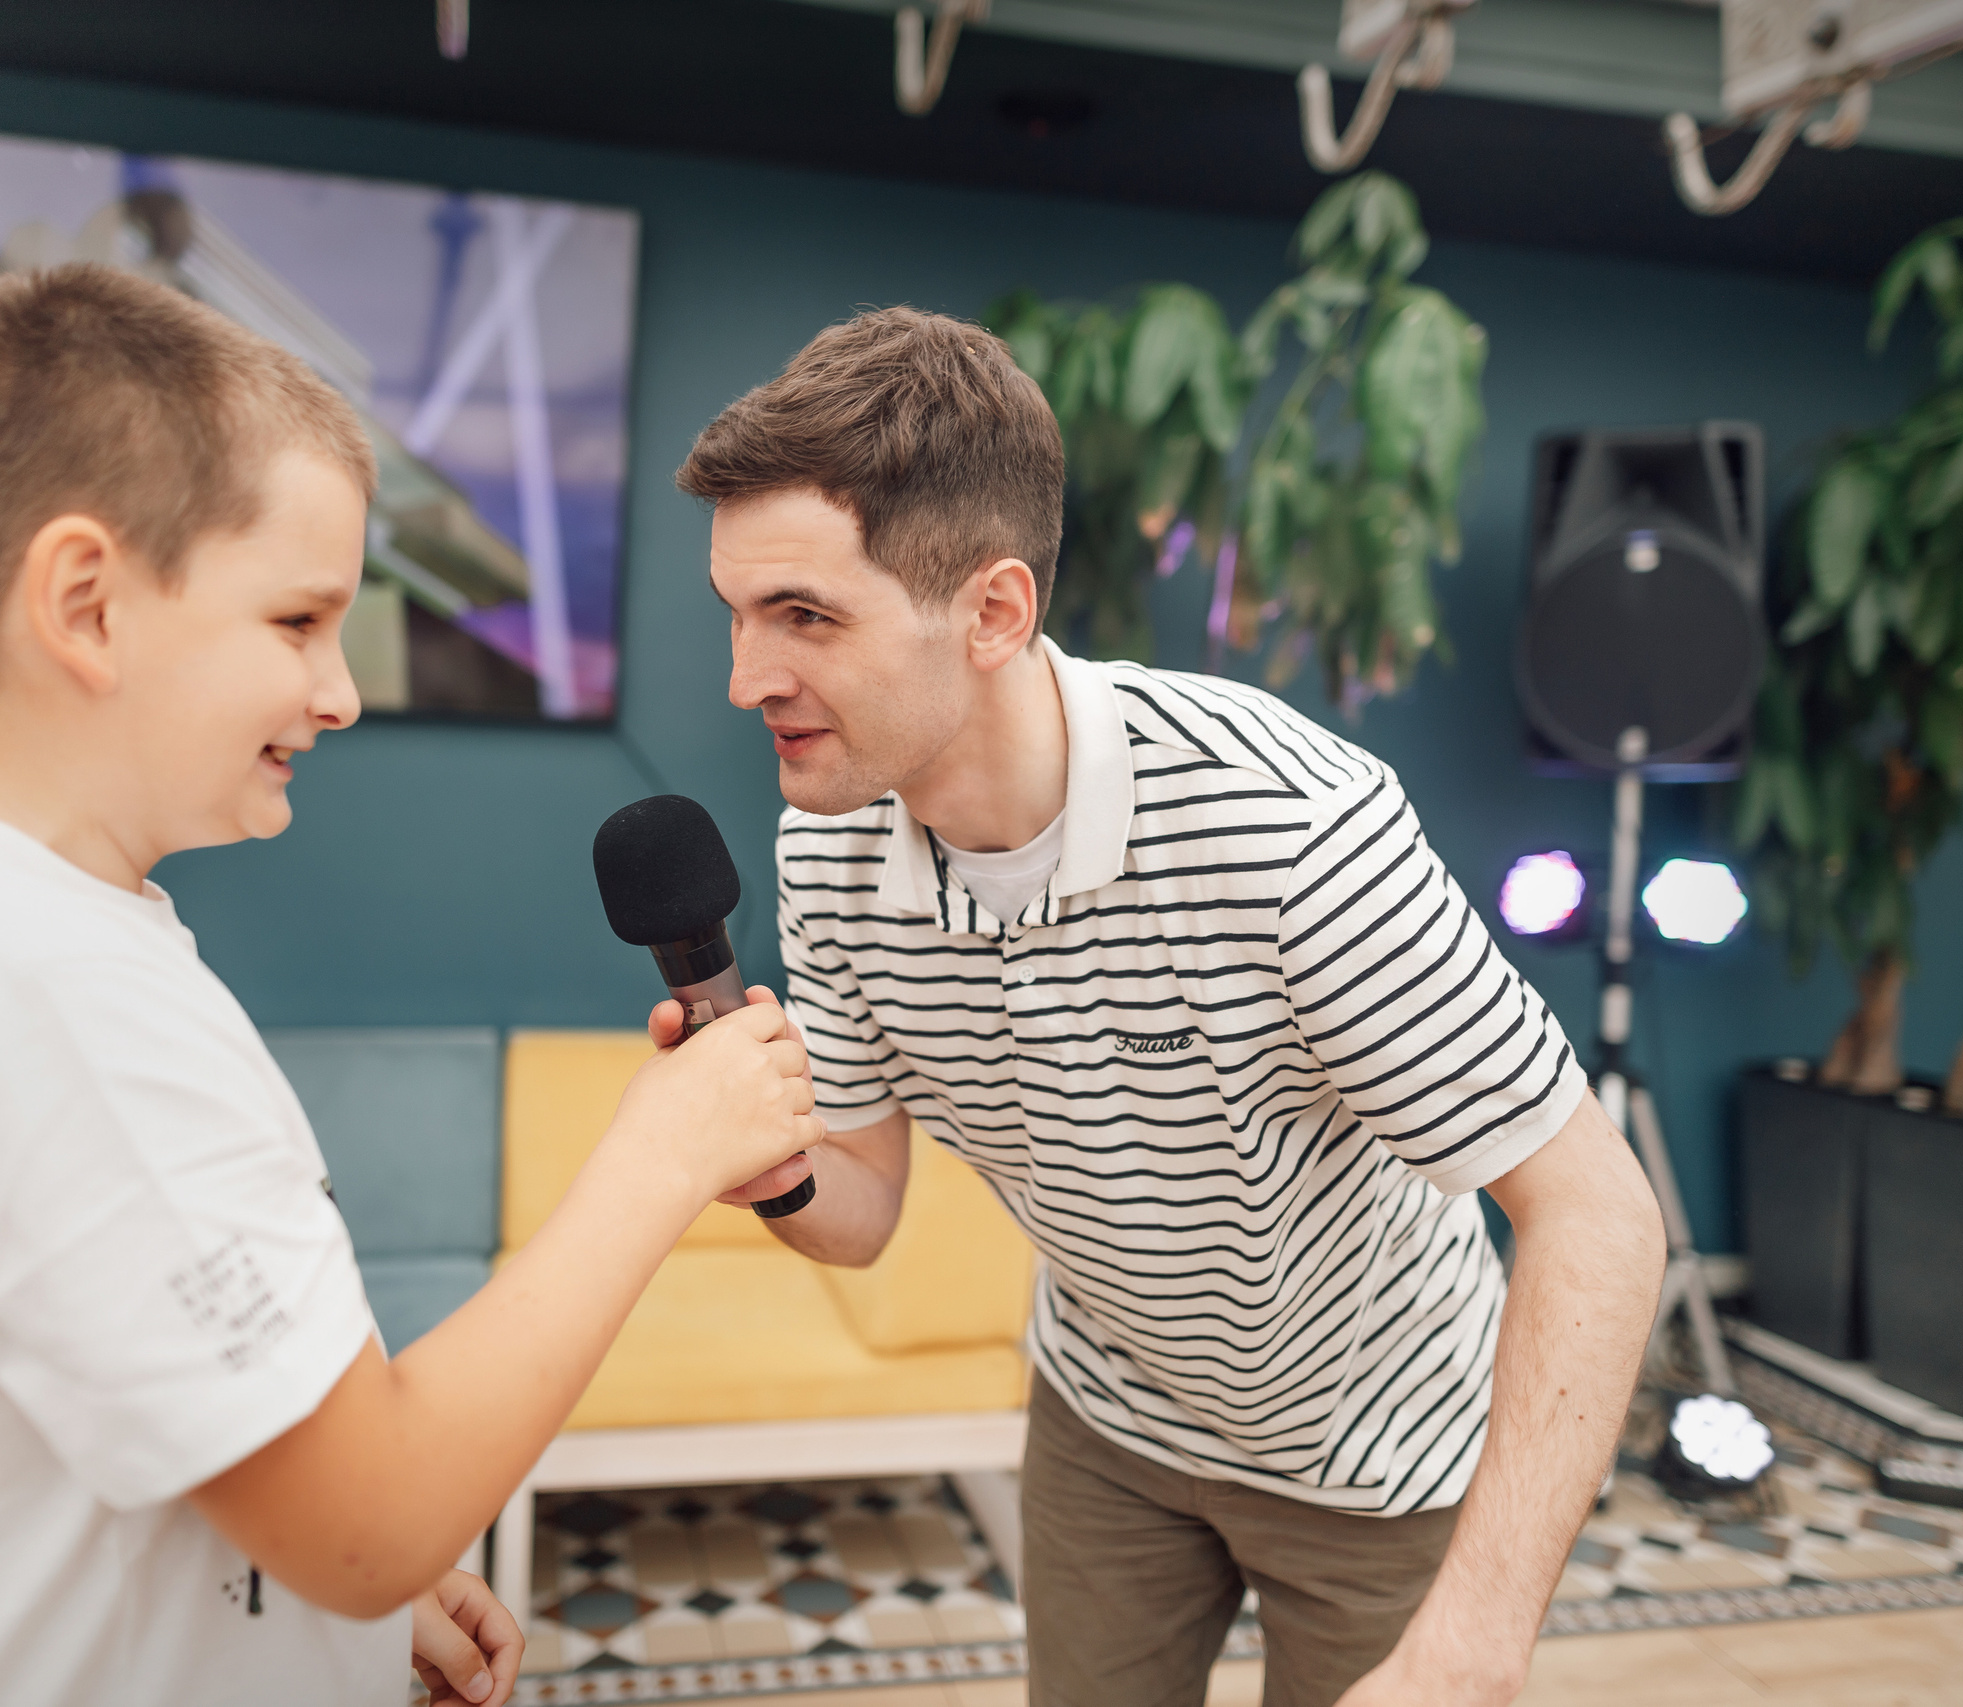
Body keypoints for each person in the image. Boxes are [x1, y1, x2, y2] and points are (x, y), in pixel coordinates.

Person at [0, 264, 823, 1707]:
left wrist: (316, 1608)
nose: (339, 692)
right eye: (297, 624)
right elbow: (369, 1517)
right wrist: (661, 1155)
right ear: (86, 605)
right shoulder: (36, 998)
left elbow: (140, 1412)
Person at [675, 307, 1668, 1706]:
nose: (745, 679)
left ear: (995, 613)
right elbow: (864, 1211)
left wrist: (1473, 1645)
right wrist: (766, 1162)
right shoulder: (828, 841)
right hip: (1109, 1421)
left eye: (806, 618)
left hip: (1376, 1449)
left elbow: (1601, 1214)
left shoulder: (1289, 828)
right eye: (738, 612)